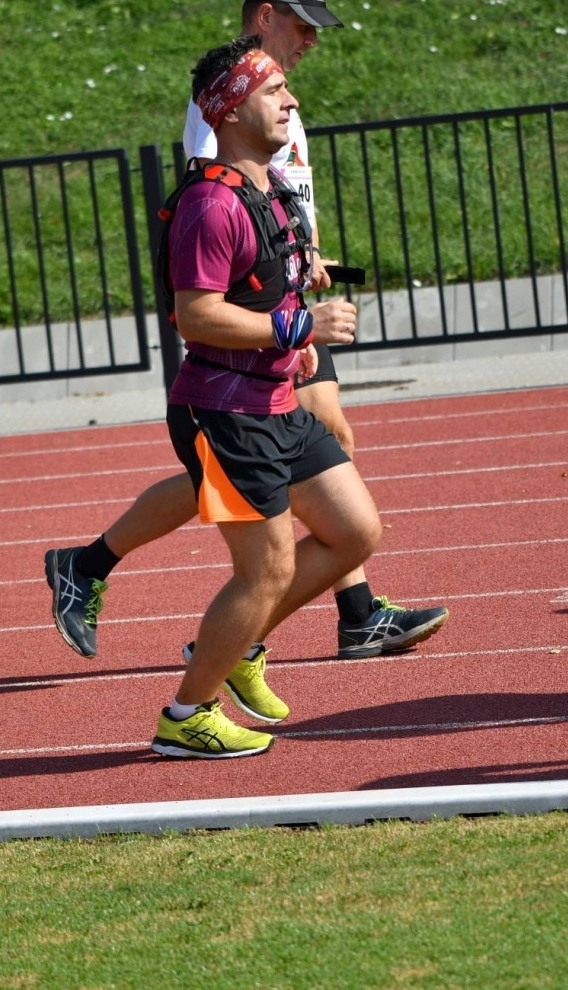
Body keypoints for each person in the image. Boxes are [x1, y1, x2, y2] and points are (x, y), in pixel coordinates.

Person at [46, 0, 447, 662]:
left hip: (285, 305)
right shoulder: (230, 103)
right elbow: (220, 208)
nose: (312, 40)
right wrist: (287, 314)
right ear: (265, 15)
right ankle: (124, 584)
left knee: (290, 456)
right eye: (303, 24)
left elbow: (277, 201)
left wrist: (305, 256)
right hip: (248, 327)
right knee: (263, 467)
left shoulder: (275, 96)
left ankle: (96, 567)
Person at [150, 38, 383, 758]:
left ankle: (240, 642)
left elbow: (261, 294)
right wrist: (296, 323)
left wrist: (290, 335)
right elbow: (195, 314)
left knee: (355, 531)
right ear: (229, 106)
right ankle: (186, 712)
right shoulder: (210, 202)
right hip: (224, 410)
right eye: (274, 88)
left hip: (274, 397)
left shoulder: (269, 188)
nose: (292, 100)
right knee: (267, 569)